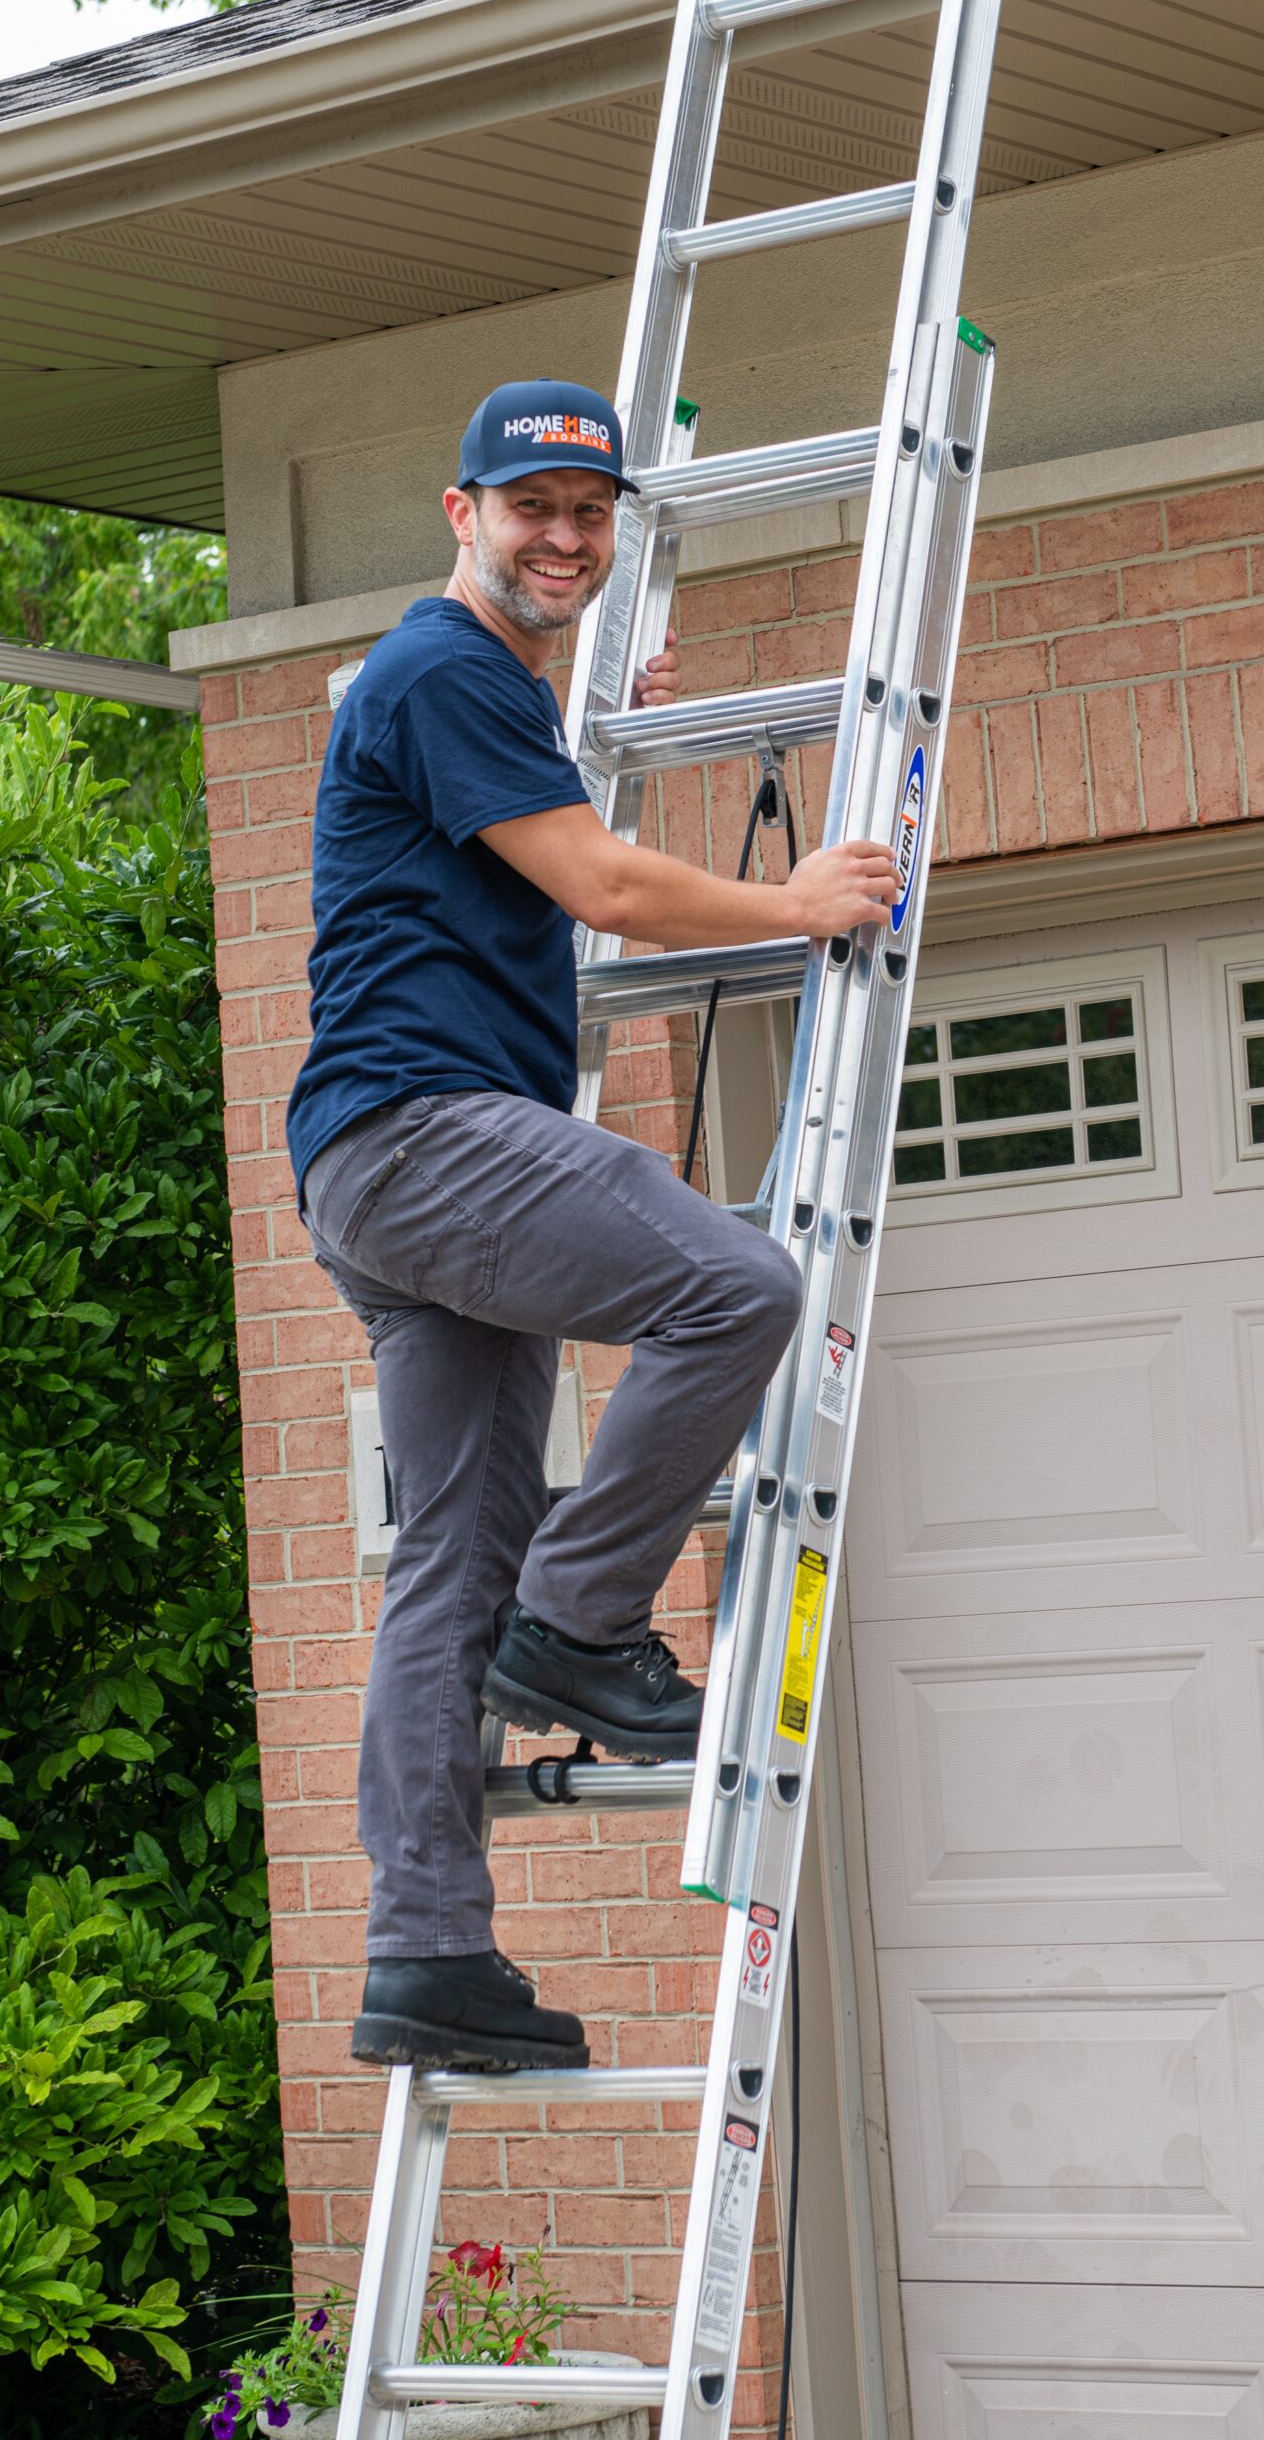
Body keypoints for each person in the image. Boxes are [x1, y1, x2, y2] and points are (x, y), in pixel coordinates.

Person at [288, 378, 899, 2072]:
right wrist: (797, 901)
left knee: (444, 1565)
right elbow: (612, 891)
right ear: (458, 511)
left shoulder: (471, 690)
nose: (560, 538)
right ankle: (585, 1622)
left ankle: (426, 1955)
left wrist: (574, 701)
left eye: (587, 516)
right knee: (736, 1286)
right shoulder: (437, 670)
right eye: (527, 510)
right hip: (430, 1135)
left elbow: (515, 818)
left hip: (377, 1168)